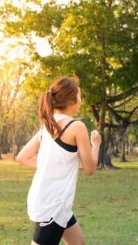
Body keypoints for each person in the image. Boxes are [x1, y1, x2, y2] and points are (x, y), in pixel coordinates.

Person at [16, 75, 102, 245]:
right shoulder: (76, 127)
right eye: (80, 96)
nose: (81, 100)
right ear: (71, 100)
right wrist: (96, 144)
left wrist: (49, 167)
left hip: (56, 203)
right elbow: (90, 169)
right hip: (52, 206)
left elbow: (22, 157)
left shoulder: (47, 127)